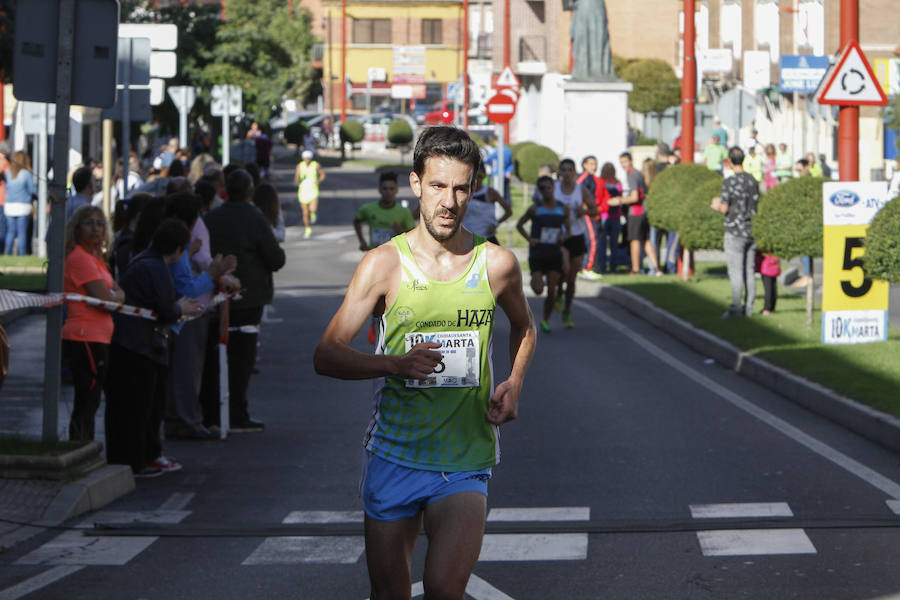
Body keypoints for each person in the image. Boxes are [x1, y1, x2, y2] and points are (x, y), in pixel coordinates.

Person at [313, 126, 536, 600]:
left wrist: (514, 382)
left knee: (441, 589)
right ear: (416, 184)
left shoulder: (496, 265)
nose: (449, 201)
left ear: (473, 189)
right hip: (394, 455)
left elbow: (525, 326)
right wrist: (394, 365)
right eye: (437, 186)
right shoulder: (382, 265)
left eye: (460, 188)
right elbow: (327, 353)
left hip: (465, 458)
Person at [105, 219, 202, 478]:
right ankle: (140, 458)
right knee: (142, 407)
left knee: (133, 407)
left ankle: (133, 457)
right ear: (179, 249)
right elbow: (165, 308)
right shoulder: (156, 267)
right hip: (141, 346)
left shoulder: (143, 262)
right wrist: (181, 308)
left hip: (132, 343)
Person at [205, 169, 286, 431]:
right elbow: (275, 258)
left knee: (216, 355)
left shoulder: (211, 217)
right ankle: (237, 412)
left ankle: (212, 412)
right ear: (250, 191)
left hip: (214, 294)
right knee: (242, 358)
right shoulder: (255, 218)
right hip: (249, 297)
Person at [164, 193, 238, 441]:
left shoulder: (183, 243)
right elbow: (188, 287)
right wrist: (215, 273)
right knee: (187, 370)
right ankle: (186, 420)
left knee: (183, 370)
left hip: (187, 312)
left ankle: (180, 417)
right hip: (189, 312)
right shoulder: (185, 241)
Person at [62, 206, 124, 440]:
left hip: (100, 335)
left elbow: (117, 293)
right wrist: (114, 296)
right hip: (84, 335)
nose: (95, 229)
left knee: (93, 398)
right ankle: (79, 447)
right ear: (77, 228)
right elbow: (106, 299)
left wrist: (114, 296)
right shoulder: (79, 258)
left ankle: (84, 447)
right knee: (87, 397)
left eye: (99, 224)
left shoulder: (96, 259)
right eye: (89, 223)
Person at [517, 175, 570, 332]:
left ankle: (545, 319)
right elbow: (520, 225)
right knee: (539, 289)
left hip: (554, 252)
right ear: (539, 191)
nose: (546, 190)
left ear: (554, 188)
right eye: (542, 188)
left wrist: (563, 238)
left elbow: (569, 231)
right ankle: (537, 280)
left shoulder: (563, 208)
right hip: (538, 253)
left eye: (548, 187)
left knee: (551, 290)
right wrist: (530, 239)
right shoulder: (535, 208)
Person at [710, 147, 759, 318]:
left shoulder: (729, 182)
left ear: (730, 162)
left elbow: (724, 208)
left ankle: (736, 308)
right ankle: (749, 308)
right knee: (749, 270)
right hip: (751, 229)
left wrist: (717, 205)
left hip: (734, 231)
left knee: (736, 271)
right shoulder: (753, 180)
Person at [554, 158, 598, 328]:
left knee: (572, 278)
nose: (567, 173)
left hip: (577, 235)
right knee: (564, 270)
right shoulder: (555, 189)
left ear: (574, 172)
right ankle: (558, 291)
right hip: (560, 236)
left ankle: (567, 310)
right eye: (564, 170)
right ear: (560, 172)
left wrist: (584, 211)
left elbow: (595, 211)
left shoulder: (581, 190)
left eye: (570, 170)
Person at [619, 152, 661, 276]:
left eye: (625, 162)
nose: (623, 165)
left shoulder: (632, 175)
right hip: (644, 211)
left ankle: (636, 269)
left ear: (631, 161)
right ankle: (656, 268)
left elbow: (634, 197)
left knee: (635, 240)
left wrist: (619, 200)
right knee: (646, 240)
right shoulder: (638, 174)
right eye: (621, 162)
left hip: (636, 212)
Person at [354, 171, 417, 251]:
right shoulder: (368, 209)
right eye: (385, 189)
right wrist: (362, 241)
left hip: (396, 257)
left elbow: (414, 237)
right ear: (379, 190)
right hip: (375, 255)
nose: (388, 192)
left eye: (391, 189)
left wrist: (401, 232)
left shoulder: (404, 212)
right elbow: (357, 221)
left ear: (396, 190)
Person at [461, 167, 511, 245]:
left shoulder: (490, 192)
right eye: (473, 178)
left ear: (483, 177)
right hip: (466, 238)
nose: (476, 180)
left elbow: (509, 212)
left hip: (487, 238)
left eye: (479, 177)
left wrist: (496, 224)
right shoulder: (464, 192)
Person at [575, 155, 607, 280]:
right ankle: (588, 267)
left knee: (588, 241)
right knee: (592, 240)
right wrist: (585, 208)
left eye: (595, 164)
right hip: (586, 214)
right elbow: (577, 192)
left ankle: (584, 267)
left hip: (591, 212)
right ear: (585, 165)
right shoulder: (583, 178)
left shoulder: (592, 178)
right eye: (591, 164)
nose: (594, 167)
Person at [4, 151, 35, 255]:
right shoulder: (26, 173)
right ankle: (22, 255)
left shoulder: (8, 172)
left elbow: (6, 187)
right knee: (22, 233)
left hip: (9, 205)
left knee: (10, 232)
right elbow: (32, 189)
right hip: (22, 205)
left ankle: (7, 253)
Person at [596, 162, 625, 274]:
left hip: (605, 215)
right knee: (613, 244)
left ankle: (603, 267)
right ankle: (613, 267)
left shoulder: (601, 182)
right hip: (614, 216)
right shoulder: (617, 183)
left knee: (603, 244)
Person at [294, 149, 325, 238]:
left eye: (308, 158)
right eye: (305, 158)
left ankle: (313, 214)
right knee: (305, 212)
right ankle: (308, 229)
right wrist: (298, 176)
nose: (307, 160)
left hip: (313, 190)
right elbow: (296, 180)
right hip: (303, 191)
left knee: (312, 209)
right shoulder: (299, 166)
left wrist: (318, 181)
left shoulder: (315, 165)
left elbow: (323, 175)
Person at [484, 137, 513, 204]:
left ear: (496, 141)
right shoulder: (508, 150)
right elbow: (511, 164)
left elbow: (488, 159)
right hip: (506, 175)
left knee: (497, 193)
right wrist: (509, 172)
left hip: (497, 175)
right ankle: (507, 206)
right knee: (506, 193)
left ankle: (498, 208)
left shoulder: (497, 150)